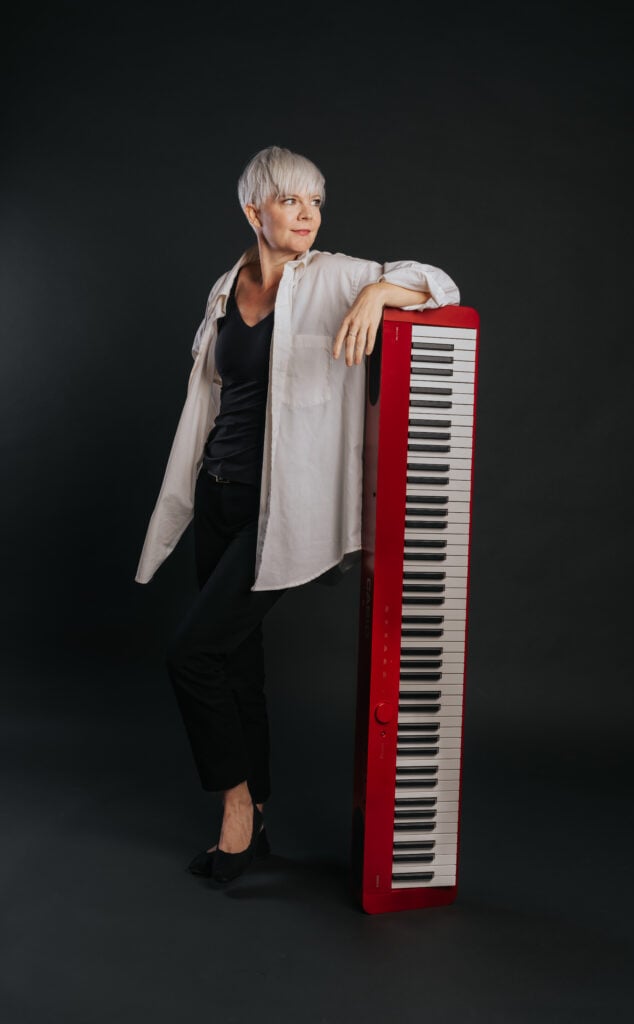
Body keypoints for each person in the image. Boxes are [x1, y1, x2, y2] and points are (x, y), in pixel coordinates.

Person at [135, 144, 461, 885]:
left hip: (281, 506)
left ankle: (238, 813)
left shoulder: (338, 277)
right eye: (290, 201)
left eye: (315, 200)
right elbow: (215, 395)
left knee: (192, 653)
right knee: (233, 663)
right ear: (254, 211)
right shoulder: (228, 286)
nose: (308, 212)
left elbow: (438, 284)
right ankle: (262, 814)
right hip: (218, 493)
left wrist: (378, 297)